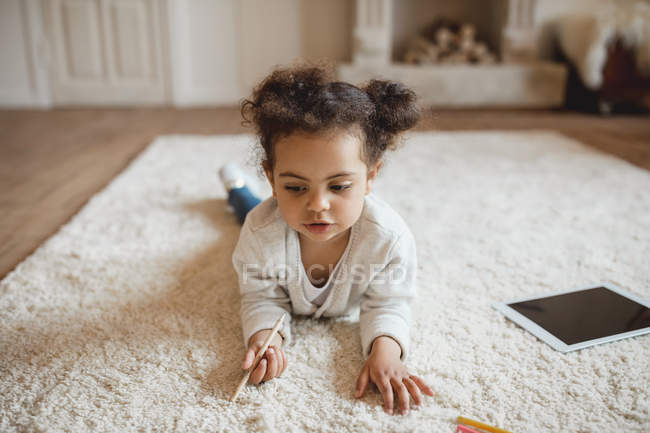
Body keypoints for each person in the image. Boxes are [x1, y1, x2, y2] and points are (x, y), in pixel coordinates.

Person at [220, 62, 434, 415]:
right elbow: (260, 297)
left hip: (282, 212)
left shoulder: (388, 239)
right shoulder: (261, 232)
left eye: (339, 186)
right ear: (272, 179)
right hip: (263, 214)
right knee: (247, 209)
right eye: (295, 187)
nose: (317, 205)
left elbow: (389, 303)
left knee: (257, 209)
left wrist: (386, 350)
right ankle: (235, 185)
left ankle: (243, 188)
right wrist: (265, 340)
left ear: (371, 176)